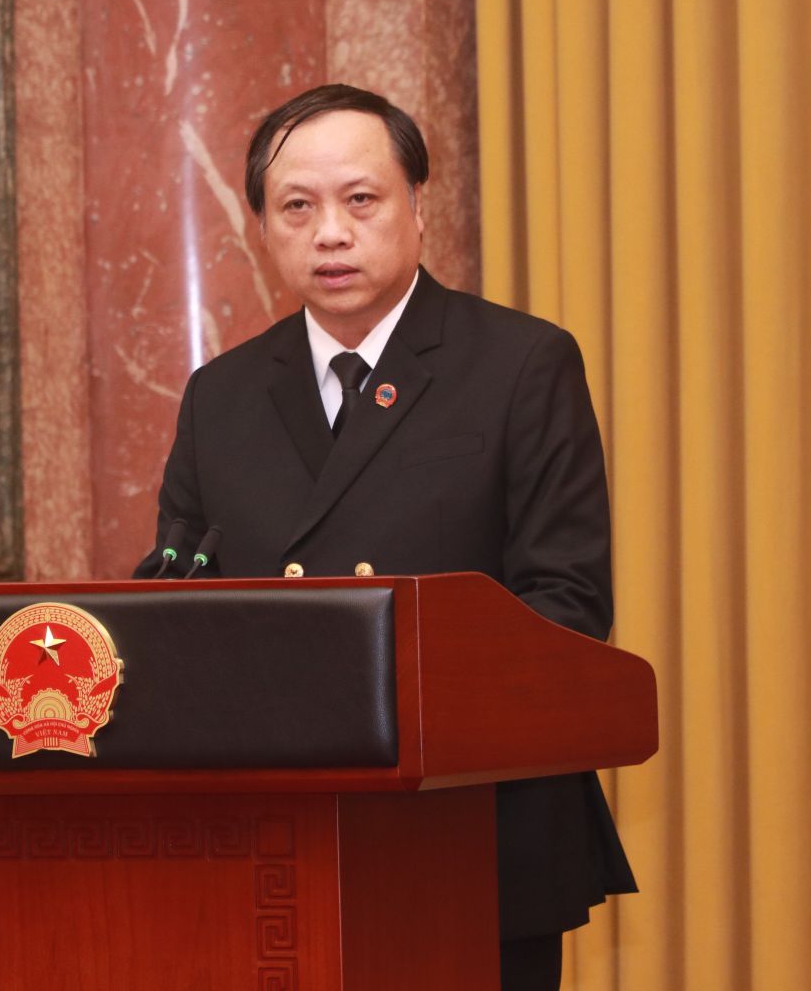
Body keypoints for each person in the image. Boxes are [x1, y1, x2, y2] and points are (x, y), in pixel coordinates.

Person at [134, 83, 635, 990]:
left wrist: (387, 703)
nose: (331, 233)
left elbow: (566, 605)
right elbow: (176, 599)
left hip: (470, 837)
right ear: (262, 228)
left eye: (360, 200)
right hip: (273, 841)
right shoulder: (222, 396)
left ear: (417, 205)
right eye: (297, 207)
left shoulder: (521, 364)